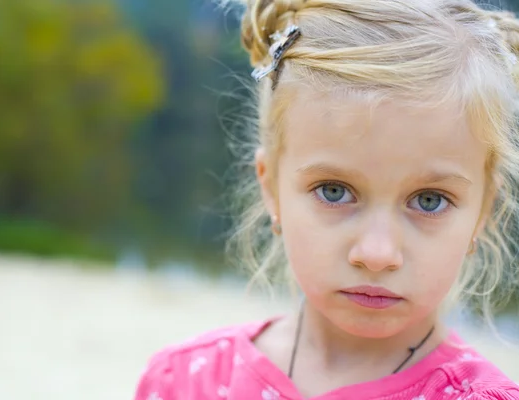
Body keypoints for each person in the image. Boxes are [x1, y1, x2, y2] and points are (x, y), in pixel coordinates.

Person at [133, 0, 519, 398]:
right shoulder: (186, 382)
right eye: (334, 191)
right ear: (271, 188)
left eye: (429, 201)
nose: (377, 253)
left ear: (483, 210)